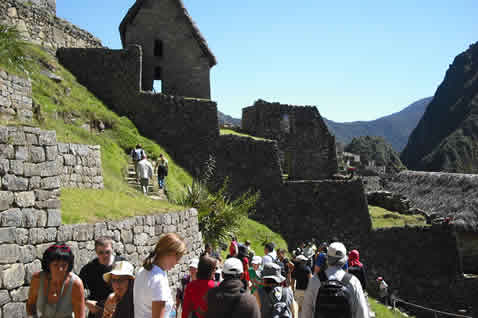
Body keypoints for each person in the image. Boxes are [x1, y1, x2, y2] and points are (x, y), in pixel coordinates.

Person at [302, 242, 369, 318]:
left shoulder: (315, 280)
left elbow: (306, 312)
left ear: (327, 258)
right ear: (344, 260)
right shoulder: (353, 281)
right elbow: (362, 313)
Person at [134, 233, 187, 318]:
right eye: (178, 258)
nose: (178, 262)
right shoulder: (158, 279)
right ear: (170, 253)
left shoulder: (142, 271)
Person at [26, 242, 85, 318]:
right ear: (48, 265)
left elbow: (80, 316)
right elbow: (30, 305)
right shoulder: (37, 280)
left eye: (64, 265)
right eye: (55, 265)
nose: (60, 269)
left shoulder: (75, 284)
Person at [80, 237, 125, 318]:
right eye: (101, 252)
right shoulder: (89, 269)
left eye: (107, 252)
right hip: (98, 312)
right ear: (96, 252)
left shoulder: (122, 264)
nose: (105, 255)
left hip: (119, 311)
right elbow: (75, 289)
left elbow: (132, 287)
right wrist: (86, 302)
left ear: (112, 250)